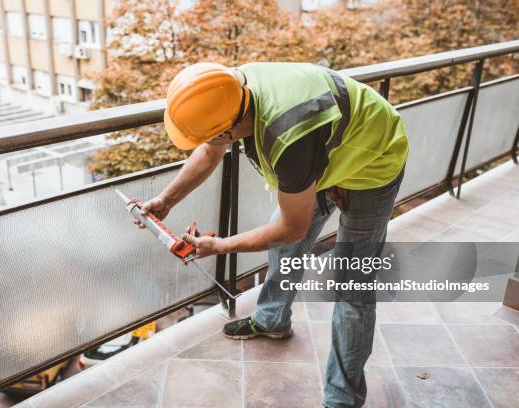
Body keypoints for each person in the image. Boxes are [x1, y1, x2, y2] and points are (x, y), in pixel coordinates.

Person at [137, 62, 408, 408]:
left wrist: (219, 246)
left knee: (351, 286)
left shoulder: (287, 137)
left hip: (374, 158)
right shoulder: (227, 89)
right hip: (328, 151)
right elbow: (209, 150)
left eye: (210, 136)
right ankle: (272, 319)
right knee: (283, 239)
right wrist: (165, 200)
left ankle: (343, 399)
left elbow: (291, 227)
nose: (207, 143)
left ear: (227, 132)